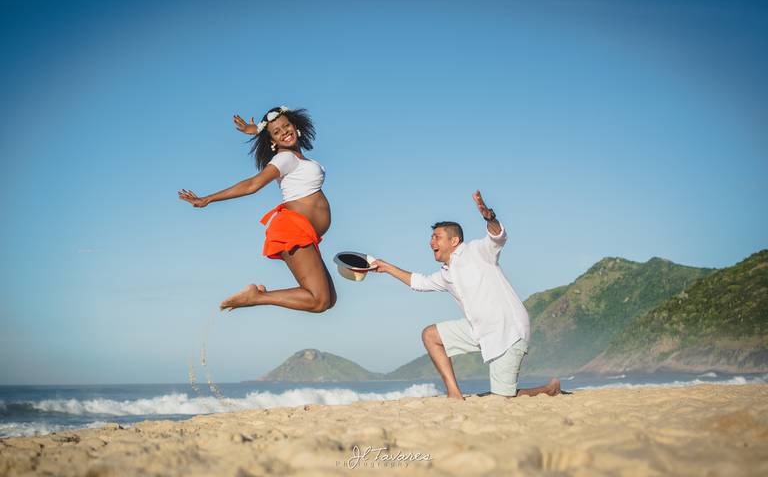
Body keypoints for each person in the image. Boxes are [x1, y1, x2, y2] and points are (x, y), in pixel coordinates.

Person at [373, 191, 562, 399]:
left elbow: (498, 236)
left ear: (454, 241)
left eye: (437, 237)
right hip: (478, 329)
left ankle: (548, 389)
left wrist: (489, 217)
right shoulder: (445, 274)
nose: (431, 242)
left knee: (502, 399)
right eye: (431, 237)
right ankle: (454, 392)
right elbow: (418, 282)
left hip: (508, 330)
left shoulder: (478, 250)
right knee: (430, 335)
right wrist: (386, 267)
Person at [178, 106, 336, 313]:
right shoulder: (285, 158)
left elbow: (275, 131)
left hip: (305, 233)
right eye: (277, 132)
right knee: (319, 301)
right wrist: (208, 199)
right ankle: (256, 297)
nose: (284, 132)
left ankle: (257, 296)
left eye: (286, 126)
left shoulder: (298, 158)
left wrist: (257, 129)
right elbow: (252, 185)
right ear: (272, 141)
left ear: (295, 126)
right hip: (294, 230)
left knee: (329, 300)